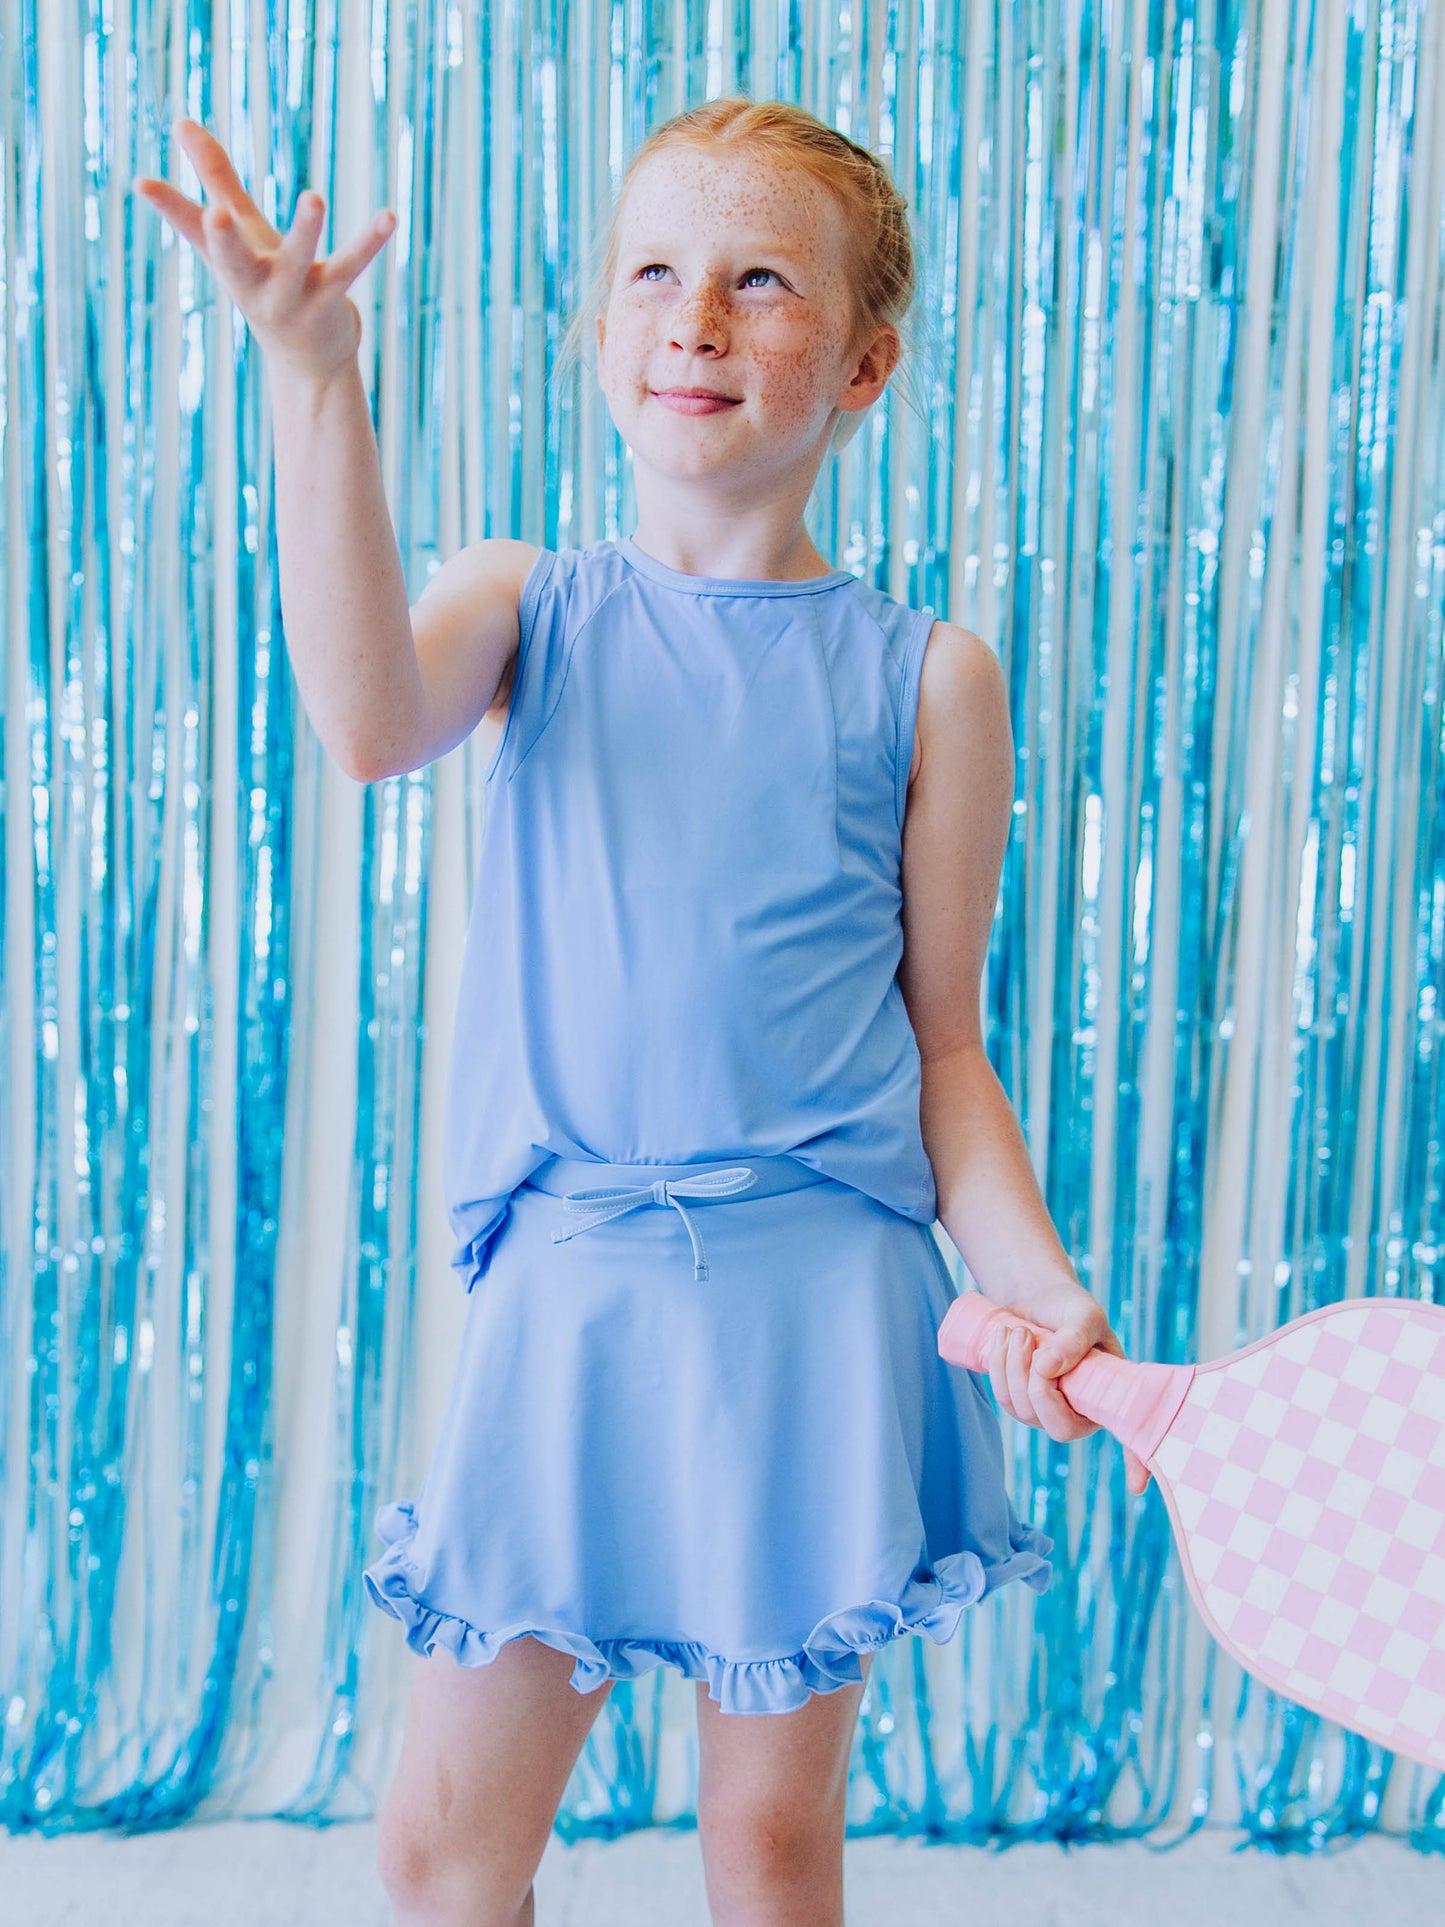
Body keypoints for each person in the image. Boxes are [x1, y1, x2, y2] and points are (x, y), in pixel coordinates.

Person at [134, 96, 1152, 1927]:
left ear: (860, 363)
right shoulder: (527, 605)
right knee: (447, 1854)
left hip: (816, 1313)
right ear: (601, 332)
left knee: (767, 1847)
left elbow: (943, 1053)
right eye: (655, 275)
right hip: (573, 1307)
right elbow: (366, 723)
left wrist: (1038, 1285)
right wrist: (312, 380)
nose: (693, 317)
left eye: (758, 282)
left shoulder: (930, 676)